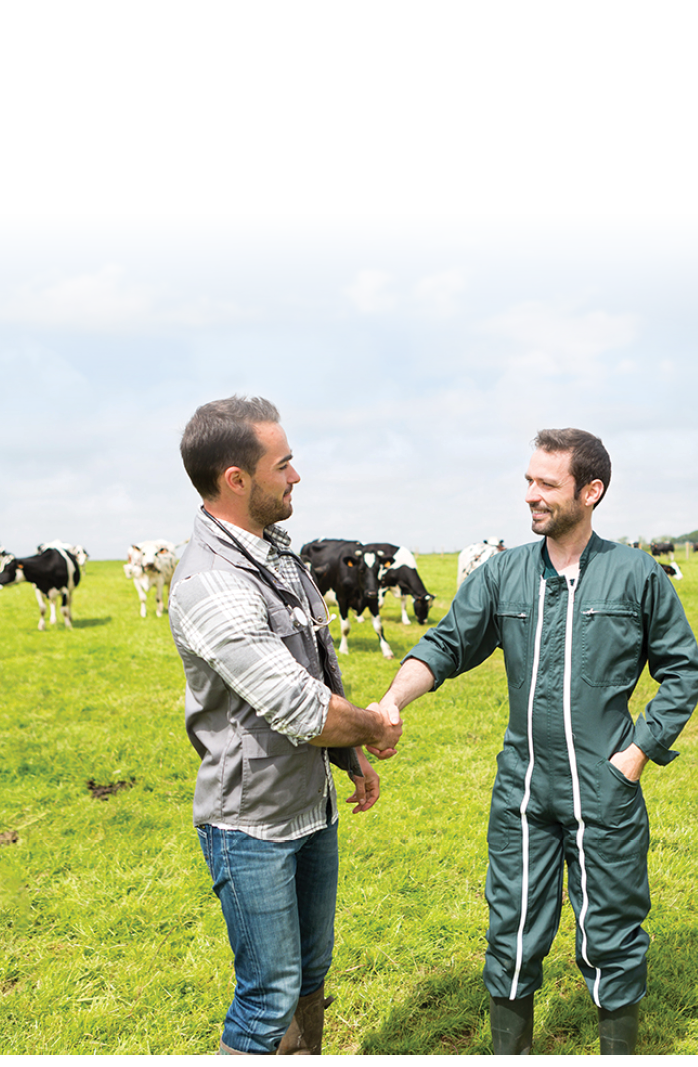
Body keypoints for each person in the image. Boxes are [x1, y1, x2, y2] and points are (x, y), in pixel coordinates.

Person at [375, 428, 698, 1055]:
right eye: (528, 481)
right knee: (514, 925)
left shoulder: (635, 575)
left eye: (546, 484)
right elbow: (447, 644)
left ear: (591, 491)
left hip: (605, 789)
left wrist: (638, 752)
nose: (530, 495)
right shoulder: (504, 574)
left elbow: (683, 669)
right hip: (523, 788)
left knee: (611, 931)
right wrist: (393, 698)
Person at [169, 395, 403, 1055]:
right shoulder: (210, 582)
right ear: (236, 479)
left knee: (309, 978)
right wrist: (371, 727)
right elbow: (297, 705)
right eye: (284, 462)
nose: (296, 475)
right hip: (252, 826)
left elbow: (318, 667)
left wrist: (349, 758)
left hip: (310, 808)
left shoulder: (281, 558)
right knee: (267, 997)